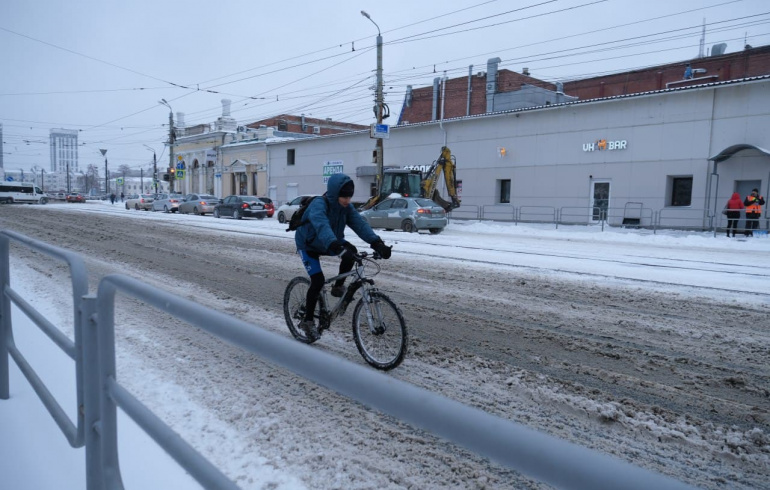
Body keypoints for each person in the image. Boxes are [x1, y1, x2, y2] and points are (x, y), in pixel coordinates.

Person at [294, 173, 392, 341]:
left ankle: (338, 287)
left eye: (349, 196)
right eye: (343, 196)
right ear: (334, 193)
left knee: (351, 253)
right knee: (317, 281)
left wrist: (377, 243)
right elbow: (321, 225)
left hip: (331, 242)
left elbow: (360, 225)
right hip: (308, 244)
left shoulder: (347, 208)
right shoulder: (319, 204)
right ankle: (308, 321)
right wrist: (335, 246)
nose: (347, 200)